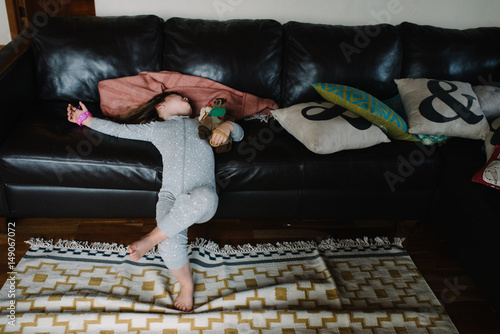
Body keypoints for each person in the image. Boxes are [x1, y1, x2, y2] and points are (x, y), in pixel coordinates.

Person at [66, 92, 244, 312]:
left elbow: (239, 134)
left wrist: (227, 128)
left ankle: (151, 238)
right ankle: (186, 284)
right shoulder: (154, 128)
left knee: (205, 197)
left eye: (188, 98)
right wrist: (86, 119)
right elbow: (119, 130)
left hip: (201, 200)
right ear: (161, 106)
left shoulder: (204, 122)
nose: (188, 99)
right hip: (170, 198)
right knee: (169, 243)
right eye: (180, 97)